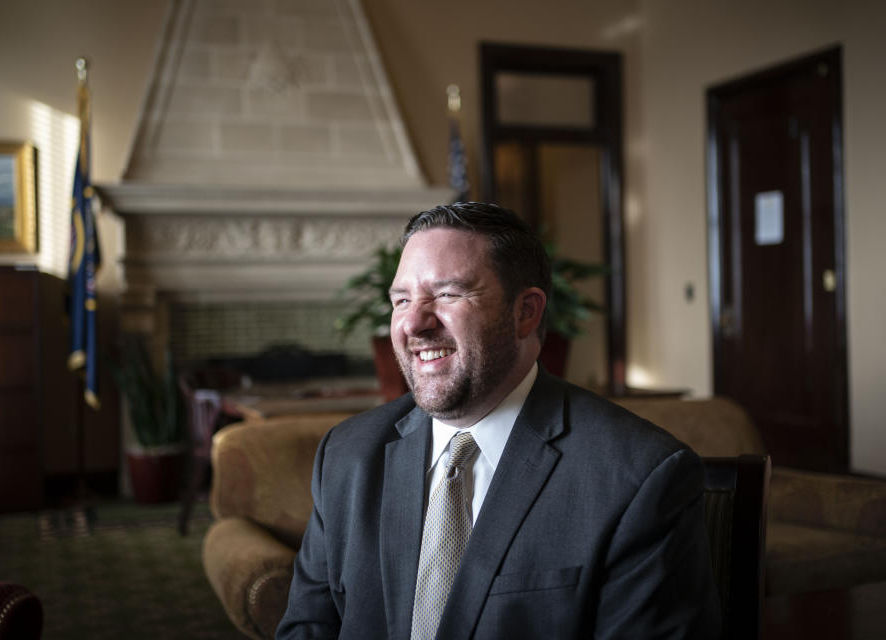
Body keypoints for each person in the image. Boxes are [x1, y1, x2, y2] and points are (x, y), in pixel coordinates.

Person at [277, 202, 721, 639]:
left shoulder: (639, 475)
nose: (413, 322)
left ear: (525, 312)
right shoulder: (346, 454)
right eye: (401, 300)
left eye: (449, 294)